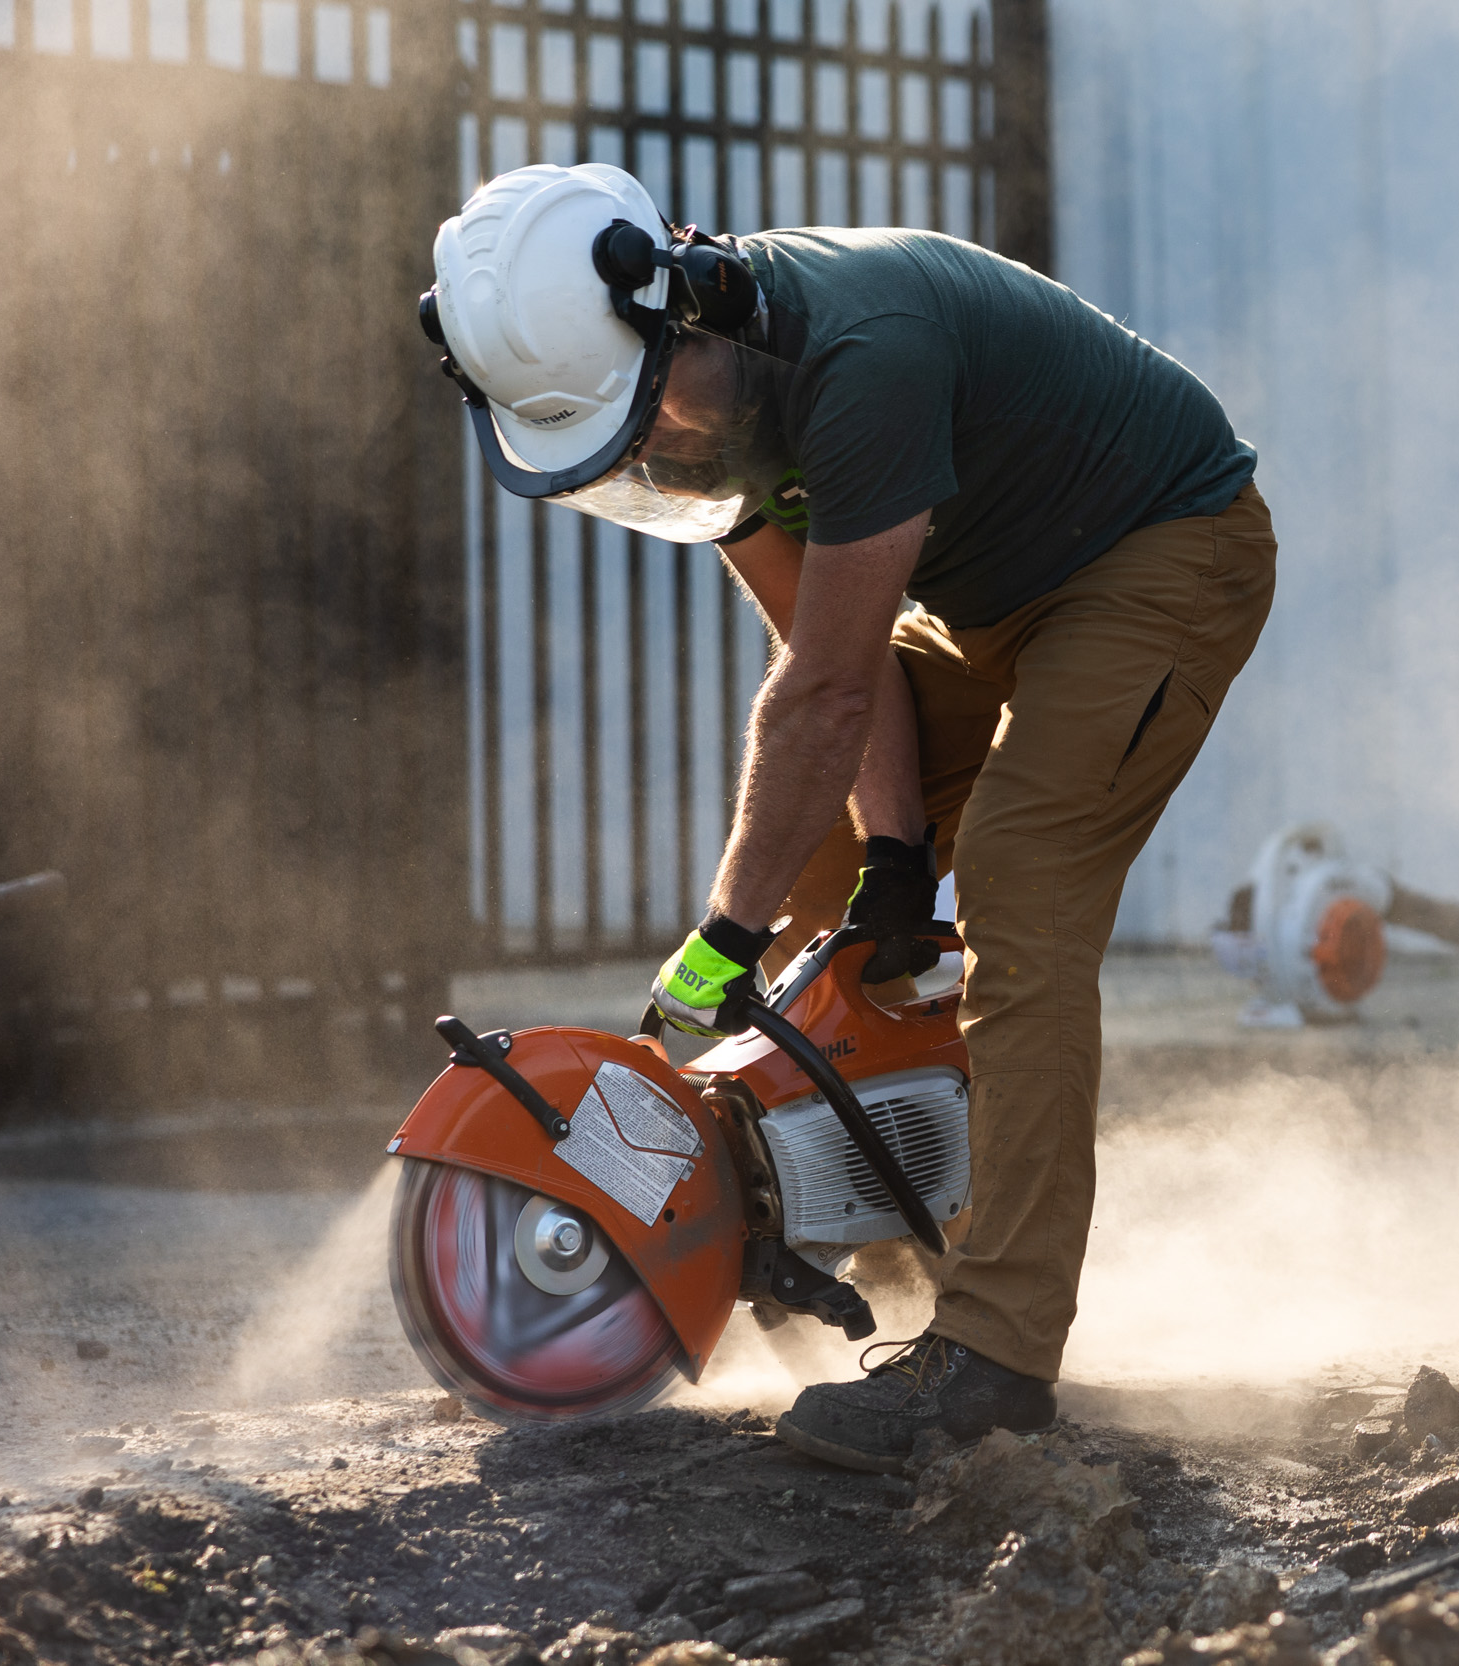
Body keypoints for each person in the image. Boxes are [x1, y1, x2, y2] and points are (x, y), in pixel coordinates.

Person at [422, 162, 1274, 1470]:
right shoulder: (705, 414)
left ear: (685, 306)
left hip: (1162, 551)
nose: (651, 455)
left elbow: (821, 696)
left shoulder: (857, 356)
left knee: (1020, 883)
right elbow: (842, 667)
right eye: (616, 446)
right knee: (818, 856)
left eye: (641, 418)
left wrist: (722, 938)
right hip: (990, 601)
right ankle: (872, 1243)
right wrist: (888, 859)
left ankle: (995, 1357)